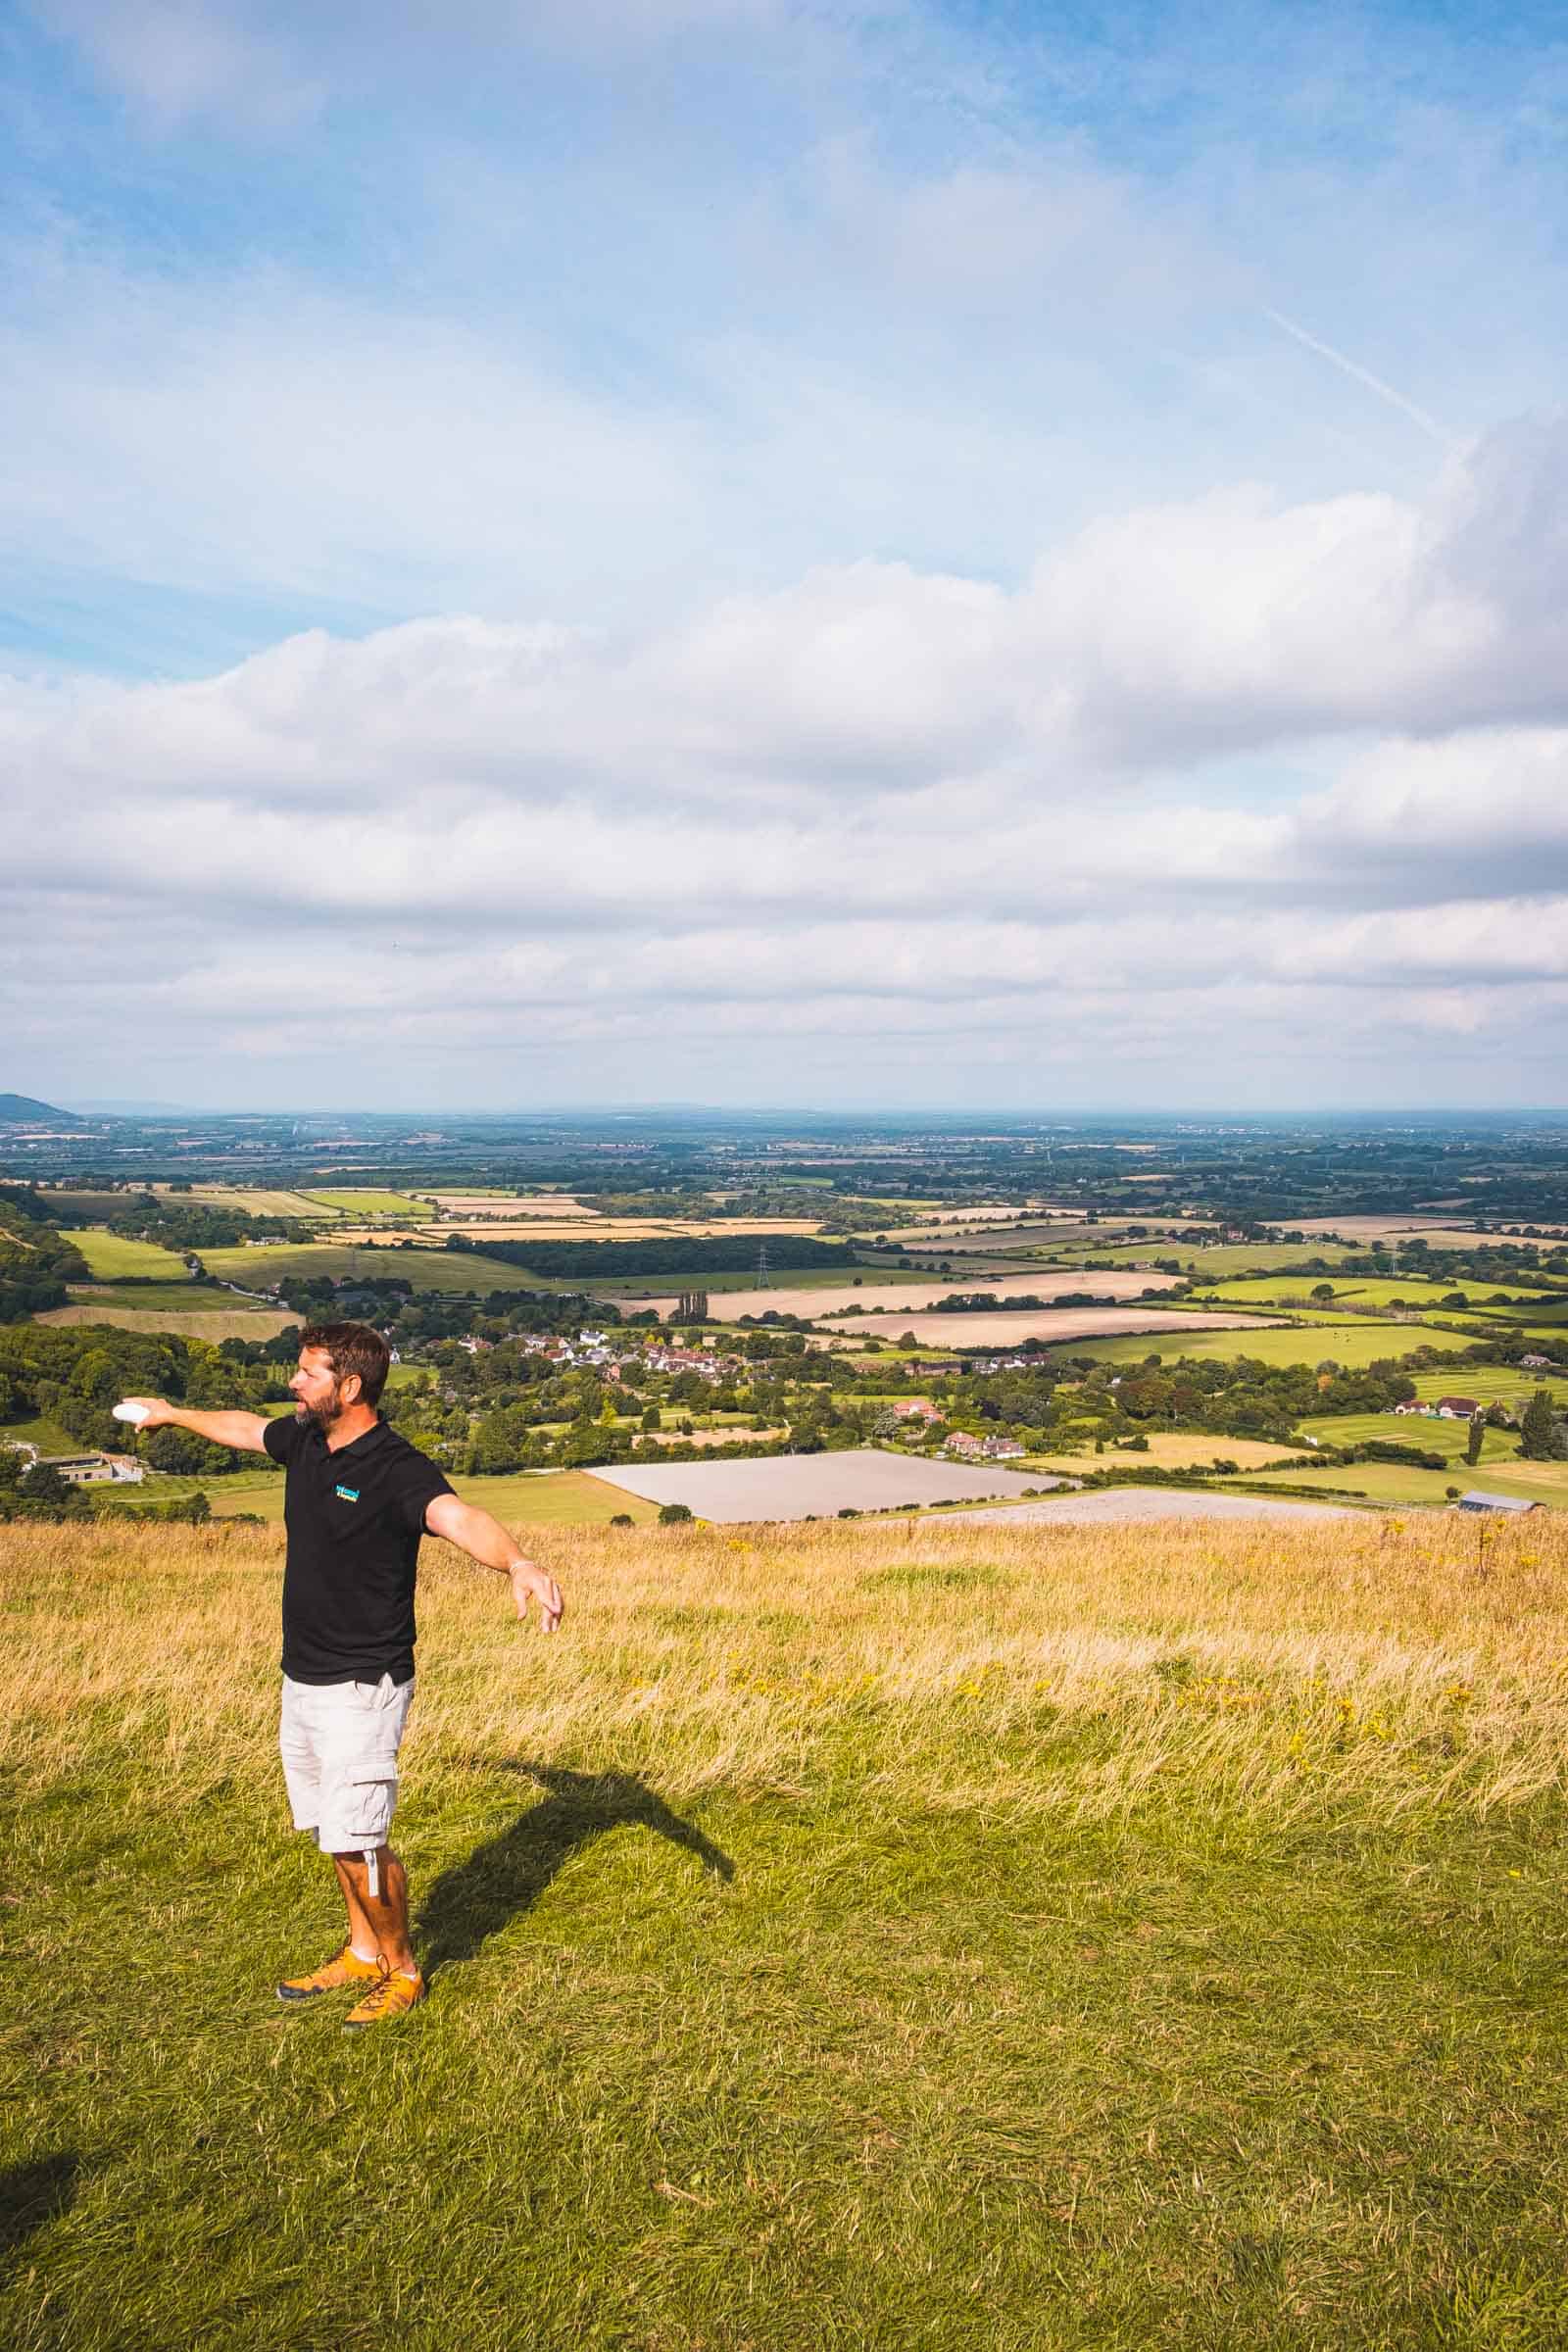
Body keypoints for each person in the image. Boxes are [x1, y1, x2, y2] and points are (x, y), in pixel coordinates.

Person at [121, 1320, 564, 2030]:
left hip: (364, 1682)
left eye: (307, 1373)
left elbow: (458, 1516)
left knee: (361, 1843)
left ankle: (404, 1969)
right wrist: (171, 1413)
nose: (293, 1383)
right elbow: (241, 1428)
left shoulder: (396, 1468)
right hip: (303, 1676)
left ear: (349, 1386)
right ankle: (362, 1951)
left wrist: (519, 1562)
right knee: (334, 1829)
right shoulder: (304, 1440)